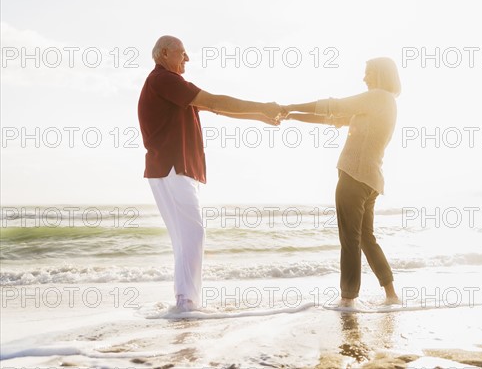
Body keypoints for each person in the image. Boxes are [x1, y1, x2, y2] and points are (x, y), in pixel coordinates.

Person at [138, 35, 283, 312]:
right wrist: (263, 105)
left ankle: (185, 300)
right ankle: (187, 302)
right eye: (182, 53)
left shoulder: (166, 85)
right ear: (165, 53)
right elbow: (215, 101)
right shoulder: (165, 80)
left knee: (185, 236)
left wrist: (258, 116)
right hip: (172, 168)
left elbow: (213, 108)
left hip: (168, 169)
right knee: (193, 233)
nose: (187, 59)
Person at [282, 57, 401, 306]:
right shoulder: (385, 103)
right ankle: (391, 295)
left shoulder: (377, 97)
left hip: (354, 178)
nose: (364, 78)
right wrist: (291, 115)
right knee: (366, 239)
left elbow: (334, 105)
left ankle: (348, 300)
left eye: (368, 73)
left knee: (350, 239)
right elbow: (332, 118)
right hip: (370, 181)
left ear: (379, 74)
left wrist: (290, 104)